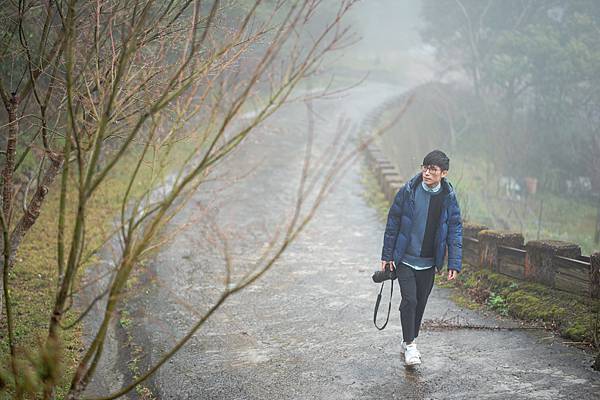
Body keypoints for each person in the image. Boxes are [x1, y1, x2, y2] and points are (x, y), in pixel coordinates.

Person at [380, 149, 463, 366]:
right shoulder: (409, 190)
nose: (427, 173)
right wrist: (387, 255)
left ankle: (409, 338)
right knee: (410, 300)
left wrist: (454, 262)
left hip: (428, 262)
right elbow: (393, 222)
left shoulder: (448, 198)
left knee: (420, 303)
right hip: (405, 258)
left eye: (432, 169)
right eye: (424, 168)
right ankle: (410, 345)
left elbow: (455, 229)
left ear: (443, 173)